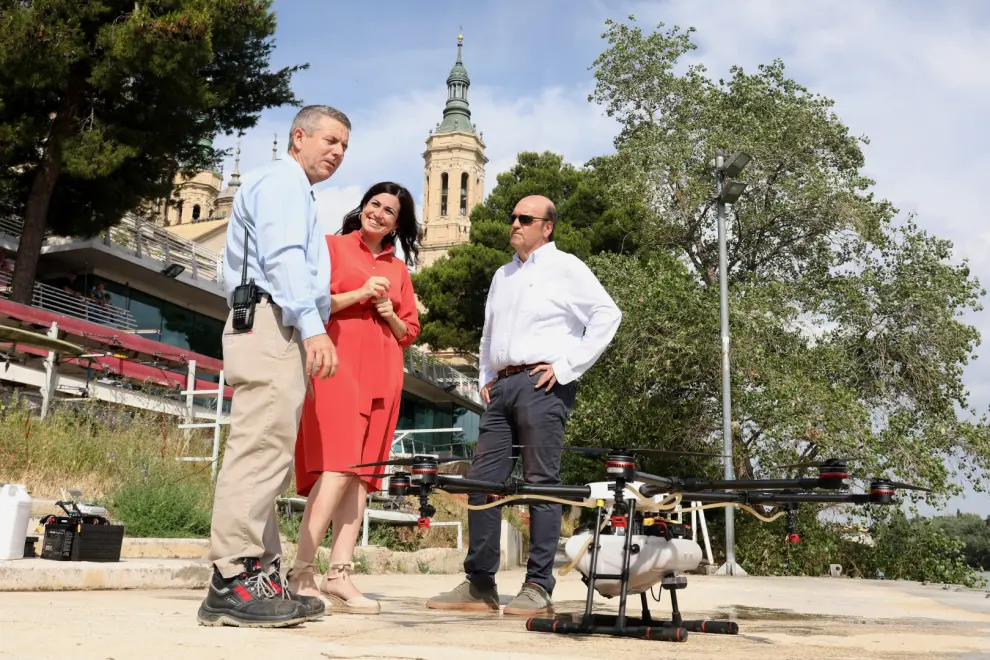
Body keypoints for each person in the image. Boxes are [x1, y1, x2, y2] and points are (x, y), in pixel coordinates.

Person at [426, 194, 622, 616]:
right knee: (482, 483)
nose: (514, 223)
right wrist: (484, 380)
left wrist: (567, 367)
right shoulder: (503, 274)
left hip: (542, 384)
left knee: (541, 483)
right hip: (502, 387)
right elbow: (487, 334)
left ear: (546, 227)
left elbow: (608, 314)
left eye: (524, 218)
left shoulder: (566, 267)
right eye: (512, 216)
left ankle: (538, 586)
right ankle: (480, 585)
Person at [197, 105, 350, 629]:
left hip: (271, 320)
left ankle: (258, 573)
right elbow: (284, 259)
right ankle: (231, 579)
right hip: (270, 318)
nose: (337, 153)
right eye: (329, 140)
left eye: (344, 147)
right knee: (260, 446)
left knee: (271, 451)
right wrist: (312, 326)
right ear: (298, 137)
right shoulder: (282, 184)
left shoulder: (294, 190)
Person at [286, 181, 422, 615]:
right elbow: (309, 302)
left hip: (384, 375)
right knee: (339, 467)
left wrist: (390, 316)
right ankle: (300, 570)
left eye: (389, 211)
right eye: (373, 204)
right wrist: (360, 295)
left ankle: (340, 573)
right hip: (336, 367)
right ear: (362, 208)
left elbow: (410, 333)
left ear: (397, 225)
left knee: (362, 476)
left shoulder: (400, 271)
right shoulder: (329, 247)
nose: (378, 213)